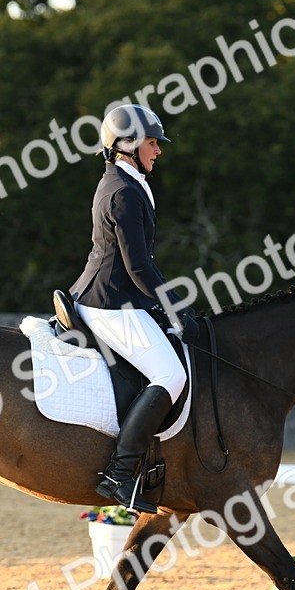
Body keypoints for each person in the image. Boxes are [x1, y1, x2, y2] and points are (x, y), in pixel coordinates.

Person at [69, 104, 198, 514]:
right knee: (170, 373)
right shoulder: (123, 192)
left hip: (119, 296)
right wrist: (175, 310)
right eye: (152, 142)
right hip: (108, 303)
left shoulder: (127, 181)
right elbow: (138, 266)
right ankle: (120, 473)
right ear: (126, 145)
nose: (158, 150)